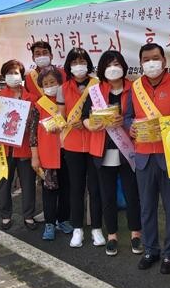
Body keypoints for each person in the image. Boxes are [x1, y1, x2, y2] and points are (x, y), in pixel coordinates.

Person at [124, 43, 170, 274]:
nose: (151, 63)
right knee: (147, 207)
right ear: (141, 63)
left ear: (164, 61)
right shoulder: (135, 87)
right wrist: (130, 128)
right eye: (146, 59)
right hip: (143, 156)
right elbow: (127, 117)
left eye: (155, 58)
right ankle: (151, 250)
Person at [82, 50, 142, 256]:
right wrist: (93, 124)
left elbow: (140, 117)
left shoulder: (135, 89)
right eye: (108, 65)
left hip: (128, 150)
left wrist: (126, 123)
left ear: (124, 66)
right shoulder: (95, 91)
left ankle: (136, 234)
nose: (112, 68)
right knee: (107, 195)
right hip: (103, 148)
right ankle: (112, 236)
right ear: (102, 69)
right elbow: (84, 118)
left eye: (116, 64)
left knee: (132, 194)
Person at [57, 48, 103, 248]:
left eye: (82, 61)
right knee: (76, 188)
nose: (79, 65)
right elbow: (60, 117)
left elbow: (104, 112)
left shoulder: (98, 85)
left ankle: (96, 228)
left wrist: (88, 121)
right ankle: (77, 228)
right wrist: (67, 122)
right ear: (69, 65)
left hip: (94, 141)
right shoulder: (63, 88)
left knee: (95, 188)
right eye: (74, 62)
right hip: (73, 144)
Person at [0, 60, 39, 231]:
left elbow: (36, 124)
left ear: (21, 75)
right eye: (9, 73)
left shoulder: (32, 98)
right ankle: (5, 215)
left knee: (28, 183)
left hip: (25, 147)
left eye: (16, 72)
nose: (13, 76)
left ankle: (28, 215)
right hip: (3, 148)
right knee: (3, 182)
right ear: (4, 75)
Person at [30, 66, 73, 240]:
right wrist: (34, 156)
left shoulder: (68, 101)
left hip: (68, 151)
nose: (49, 85)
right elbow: (32, 133)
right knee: (49, 190)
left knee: (66, 189)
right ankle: (49, 223)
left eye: (52, 82)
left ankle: (63, 220)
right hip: (48, 154)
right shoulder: (38, 105)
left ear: (60, 82)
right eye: (46, 83)